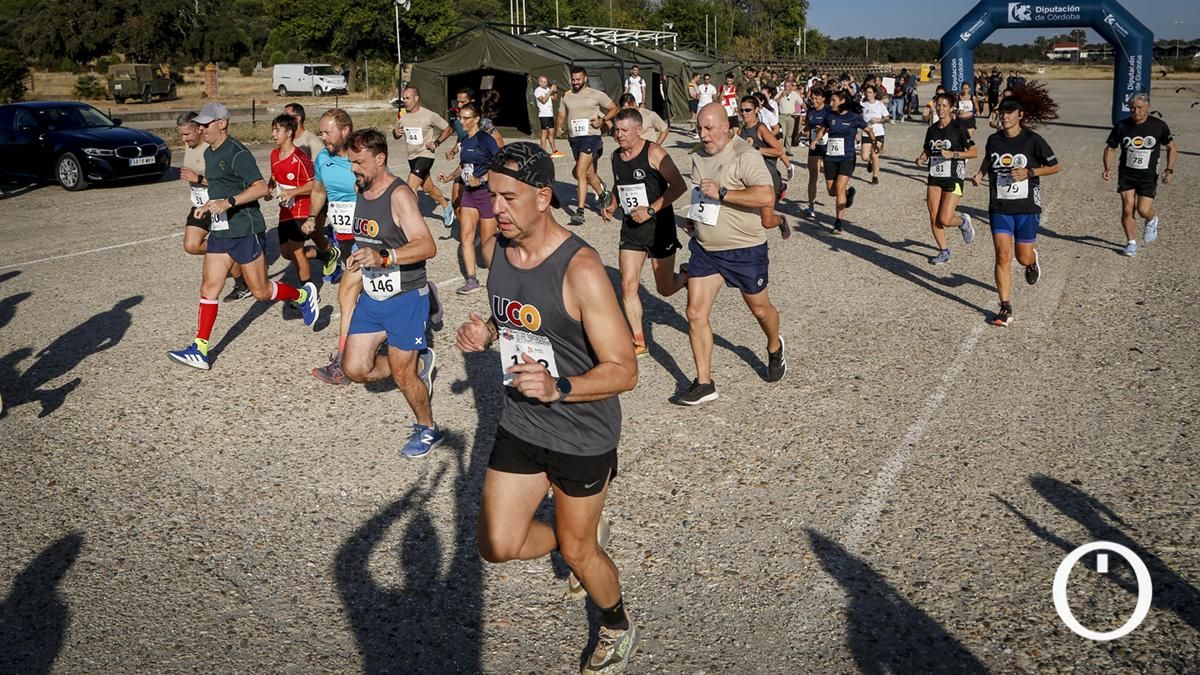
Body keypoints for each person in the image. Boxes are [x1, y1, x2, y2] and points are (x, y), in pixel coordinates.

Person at [456, 142, 641, 673]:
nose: (497, 210)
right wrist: (485, 331)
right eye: (492, 198)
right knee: (496, 542)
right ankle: (573, 538)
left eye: (509, 198)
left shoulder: (581, 269)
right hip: (521, 420)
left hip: (581, 433)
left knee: (581, 553)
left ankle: (616, 624)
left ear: (544, 197)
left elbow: (624, 370)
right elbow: (517, 319)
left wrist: (559, 387)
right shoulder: (499, 251)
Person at [167, 103, 320, 370]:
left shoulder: (237, 153)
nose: (201, 129)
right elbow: (217, 186)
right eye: (199, 125)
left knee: (261, 292)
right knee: (209, 287)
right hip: (221, 230)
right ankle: (200, 348)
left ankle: (302, 296)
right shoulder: (211, 153)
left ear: (222, 123)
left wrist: (228, 202)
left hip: (245, 230)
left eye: (206, 124)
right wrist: (207, 205)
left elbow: (261, 188)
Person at [340, 128, 442, 456]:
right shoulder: (361, 190)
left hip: (406, 297)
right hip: (373, 294)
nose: (353, 168)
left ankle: (428, 428)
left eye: (359, 162)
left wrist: (384, 257)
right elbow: (369, 236)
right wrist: (358, 255)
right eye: (350, 162)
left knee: (402, 376)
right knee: (354, 369)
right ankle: (416, 362)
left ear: (380, 159)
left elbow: (427, 246)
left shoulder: (399, 195)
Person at [675, 103, 786, 405]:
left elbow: (765, 195)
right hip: (706, 250)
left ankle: (774, 346)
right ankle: (704, 382)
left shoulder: (744, 155)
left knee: (760, 310)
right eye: (699, 128)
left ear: (726, 126)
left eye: (709, 128)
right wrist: (695, 217)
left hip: (745, 249)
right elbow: (702, 191)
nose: (703, 134)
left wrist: (723, 193)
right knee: (695, 313)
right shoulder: (697, 154)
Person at [601, 108, 688, 356]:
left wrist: (650, 210)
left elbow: (679, 186)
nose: (618, 135)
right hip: (631, 229)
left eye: (624, 130)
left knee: (665, 288)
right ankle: (639, 340)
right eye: (616, 130)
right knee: (628, 286)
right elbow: (620, 183)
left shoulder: (654, 153)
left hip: (659, 226)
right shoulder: (615, 156)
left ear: (639, 129)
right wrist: (613, 203)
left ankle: (687, 276)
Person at [970, 95, 1061, 327]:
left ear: (1020, 115)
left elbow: (1055, 166)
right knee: (1002, 255)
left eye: (1010, 113)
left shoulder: (1033, 140)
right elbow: (989, 161)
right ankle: (1005, 307)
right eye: (1002, 113)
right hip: (999, 206)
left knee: (1021, 257)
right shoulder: (994, 140)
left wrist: (1029, 173)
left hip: (1026, 207)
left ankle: (1031, 261)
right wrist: (980, 173)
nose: (1004, 116)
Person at [310, 109, 362, 384]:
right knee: (370, 295)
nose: (323, 137)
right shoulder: (323, 158)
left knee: (346, 294)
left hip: (368, 237)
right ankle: (424, 297)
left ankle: (342, 362)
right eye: (321, 132)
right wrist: (311, 217)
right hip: (342, 237)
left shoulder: (361, 157)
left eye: (327, 132)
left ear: (345, 130)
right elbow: (319, 190)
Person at [266, 113, 337, 290]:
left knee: (297, 252)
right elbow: (275, 176)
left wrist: (293, 192)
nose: (274, 134)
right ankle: (324, 254)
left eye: (277, 130)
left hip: (302, 209)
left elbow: (315, 183)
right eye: (273, 130)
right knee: (287, 253)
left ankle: (307, 292)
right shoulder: (274, 154)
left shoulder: (300, 157)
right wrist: (269, 189)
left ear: (289, 132)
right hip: (286, 211)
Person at [437, 103, 502, 295]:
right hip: (469, 195)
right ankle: (472, 280)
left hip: (485, 194)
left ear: (476, 119)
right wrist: (450, 177)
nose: (462, 122)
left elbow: (499, 163)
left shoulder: (485, 139)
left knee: (488, 241)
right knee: (466, 237)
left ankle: (498, 277)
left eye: (466, 118)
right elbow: (464, 165)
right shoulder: (465, 140)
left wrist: (481, 179)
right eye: (460, 118)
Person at [1103, 92, 1177, 257]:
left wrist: (1169, 169)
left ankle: (1151, 219)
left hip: (1148, 176)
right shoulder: (1122, 126)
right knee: (1128, 208)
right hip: (1127, 174)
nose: (1135, 111)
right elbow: (1110, 148)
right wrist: (1107, 168)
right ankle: (1131, 243)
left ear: (1148, 107)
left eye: (1139, 108)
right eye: (1132, 108)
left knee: (1143, 210)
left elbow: (1171, 147)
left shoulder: (1159, 126)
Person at [916, 92, 978, 266]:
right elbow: (928, 150)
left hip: (954, 177)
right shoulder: (932, 129)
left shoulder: (959, 128)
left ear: (952, 109)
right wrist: (922, 158)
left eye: (944, 106)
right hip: (935, 175)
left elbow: (974, 152)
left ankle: (963, 221)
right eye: (938, 105)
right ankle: (944, 251)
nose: (940, 108)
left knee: (945, 218)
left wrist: (953, 154)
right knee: (934, 215)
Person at [556, 67, 617, 226]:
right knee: (589, 173)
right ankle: (604, 194)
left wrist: (602, 121)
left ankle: (580, 212)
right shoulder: (567, 96)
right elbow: (562, 113)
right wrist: (559, 126)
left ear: (585, 78)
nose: (575, 82)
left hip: (591, 137)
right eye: (573, 79)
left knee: (580, 172)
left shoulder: (596, 94)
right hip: (575, 139)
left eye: (578, 79)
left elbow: (613, 108)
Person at [392, 86, 456, 228]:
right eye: (404, 98)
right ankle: (446, 206)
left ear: (416, 98)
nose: (405, 101)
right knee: (428, 188)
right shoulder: (403, 116)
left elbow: (448, 129)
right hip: (412, 157)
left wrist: (436, 142)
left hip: (425, 155)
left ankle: (409, 222)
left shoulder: (429, 115)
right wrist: (396, 132)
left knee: (410, 186)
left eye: (408, 98)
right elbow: (396, 134)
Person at [812, 89, 872, 234]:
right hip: (830, 157)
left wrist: (874, 141)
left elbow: (868, 130)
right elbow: (823, 129)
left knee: (838, 187)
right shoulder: (830, 114)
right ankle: (848, 193)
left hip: (847, 157)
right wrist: (816, 139)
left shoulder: (854, 116)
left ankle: (838, 223)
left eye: (833, 100)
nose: (831, 103)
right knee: (832, 191)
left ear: (842, 101)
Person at [737, 96, 791, 240]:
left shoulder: (760, 128)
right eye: (741, 110)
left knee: (767, 222)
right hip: (749, 179)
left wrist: (758, 150)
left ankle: (781, 220)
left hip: (767, 177)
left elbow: (779, 150)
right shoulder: (741, 131)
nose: (744, 113)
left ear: (756, 110)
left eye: (748, 110)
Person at [802, 87, 831, 219]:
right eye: (812, 98)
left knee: (830, 176)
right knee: (813, 174)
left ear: (823, 98)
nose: (813, 101)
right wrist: (804, 131)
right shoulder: (811, 111)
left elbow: (835, 125)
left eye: (816, 98)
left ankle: (844, 191)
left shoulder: (829, 110)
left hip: (828, 145)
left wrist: (825, 129)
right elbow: (808, 124)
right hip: (814, 145)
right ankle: (811, 206)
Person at [860, 84, 890, 185]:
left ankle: (875, 177)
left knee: (874, 154)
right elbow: (858, 119)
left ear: (875, 94)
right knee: (864, 156)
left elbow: (887, 118)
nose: (868, 94)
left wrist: (879, 120)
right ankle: (870, 162)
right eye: (867, 92)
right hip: (866, 133)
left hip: (878, 133)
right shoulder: (863, 105)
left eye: (870, 92)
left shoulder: (879, 104)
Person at [534, 76, 563, 158]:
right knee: (544, 134)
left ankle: (555, 151)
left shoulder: (547, 89)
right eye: (544, 82)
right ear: (540, 82)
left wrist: (555, 91)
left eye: (546, 82)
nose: (546, 83)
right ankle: (543, 152)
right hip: (543, 115)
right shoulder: (537, 91)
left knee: (551, 134)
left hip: (550, 115)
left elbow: (554, 99)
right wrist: (550, 90)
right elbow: (543, 100)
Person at [777, 79, 805, 156]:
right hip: (782, 116)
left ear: (791, 87)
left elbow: (801, 103)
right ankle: (780, 150)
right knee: (783, 133)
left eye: (788, 86)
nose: (787, 88)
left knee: (789, 134)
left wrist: (807, 110)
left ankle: (788, 150)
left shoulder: (795, 94)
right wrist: (781, 96)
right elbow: (775, 101)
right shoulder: (780, 93)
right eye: (785, 86)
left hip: (791, 116)